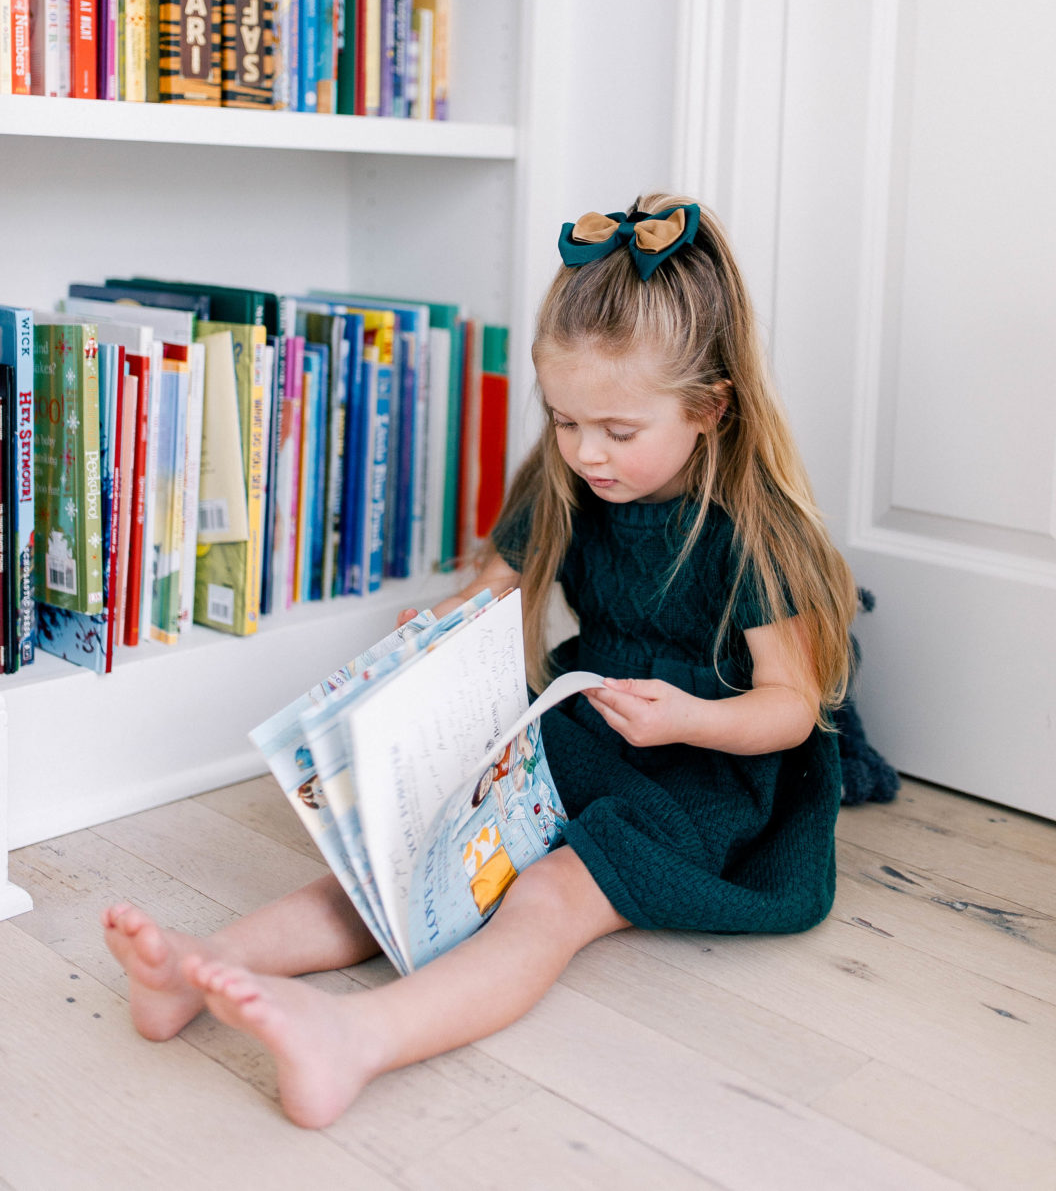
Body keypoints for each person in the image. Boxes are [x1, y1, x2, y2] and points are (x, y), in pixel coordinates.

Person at [101, 192, 856, 1129]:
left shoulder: (754, 533)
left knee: (548, 894)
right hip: (590, 718)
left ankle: (357, 1039)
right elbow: (495, 588)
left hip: (707, 770)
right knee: (425, 862)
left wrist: (691, 717)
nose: (587, 452)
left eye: (619, 431)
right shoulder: (569, 475)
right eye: (566, 419)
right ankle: (197, 966)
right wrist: (439, 634)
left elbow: (792, 704)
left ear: (711, 407)